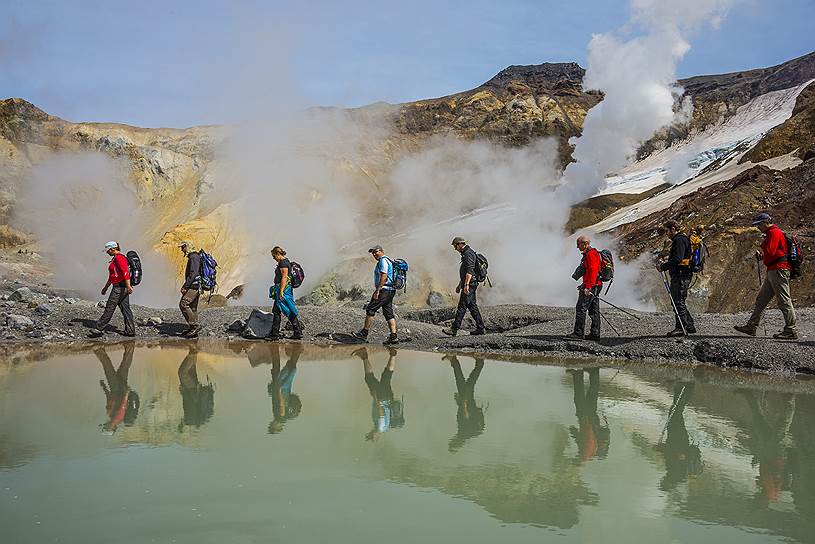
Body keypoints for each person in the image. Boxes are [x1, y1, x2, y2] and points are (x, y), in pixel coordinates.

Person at [735, 213, 798, 339]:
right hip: (774, 270)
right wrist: (763, 254)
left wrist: (763, 246)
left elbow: (771, 251)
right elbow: (773, 253)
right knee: (761, 300)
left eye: (758, 225)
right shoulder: (771, 233)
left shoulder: (774, 233)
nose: (758, 227)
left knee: (784, 300)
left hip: (779, 270)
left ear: (765, 223)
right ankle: (751, 326)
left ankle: (790, 330)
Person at [654, 382, 701, 491]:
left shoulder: (673, 474)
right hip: (679, 439)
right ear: (668, 483)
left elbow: (671, 455)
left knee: (675, 410)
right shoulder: (676, 474)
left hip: (675, 438)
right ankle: (686, 388)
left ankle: (682, 389)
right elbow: (675, 455)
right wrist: (661, 448)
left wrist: (661, 449)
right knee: (675, 411)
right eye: (663, 482)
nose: (663, 479)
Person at [353, 346, 404, 441]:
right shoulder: (380, 426)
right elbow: (380, 413)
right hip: (381, 398)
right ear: (376, 435)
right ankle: (364, 355)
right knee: (369, 378)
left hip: (389, 398)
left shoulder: (385, 428)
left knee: (386, 376)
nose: (371, 432)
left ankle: (393, 355)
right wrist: (376, 398)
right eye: (372, 435)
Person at [353, 245, 399, 345]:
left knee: (370, 309)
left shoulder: (383, 261)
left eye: (376, 252)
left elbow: (384, 276)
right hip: (391, 290)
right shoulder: (388, 261)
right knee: (388, 312)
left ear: (382, 251)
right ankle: (393, 337)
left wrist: (378, 290)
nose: (374, 254)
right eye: (372, 253)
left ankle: (363, 333)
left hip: (384, 290)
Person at [88, 241, 135, 338]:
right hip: (121, 287)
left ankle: (98, 328)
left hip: (120, 287)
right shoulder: (115, 259)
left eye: (108, 250)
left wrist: (129, 286)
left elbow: (125, 272)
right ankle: (130, 331)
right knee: (125, 309)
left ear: (113, 249)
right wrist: (106, 287)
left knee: (110, 306)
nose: (107, 252)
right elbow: (113, 276)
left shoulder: (119, 258)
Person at [657, 220, 696, 336]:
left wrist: (663, 266)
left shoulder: (679, 240)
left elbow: (678, 259)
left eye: (668, 231)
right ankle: (689, 324)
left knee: (677, 301)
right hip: (683, 274)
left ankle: (681, 327)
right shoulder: (682, 239)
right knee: (680, 300)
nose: (667, 234)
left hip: (680, 275)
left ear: (673, 229)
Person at [443, 237, 486, 336]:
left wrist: (466, 285)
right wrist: (460, 285)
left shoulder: (468, 254)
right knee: (472, 306)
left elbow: (470, 271)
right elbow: (465, 272)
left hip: (470, 284)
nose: (455, 248)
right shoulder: (466, 254)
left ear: (460, 244)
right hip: (469, 284)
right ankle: (481, 328)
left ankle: (454, 329)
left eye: (455, 246)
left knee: (462, 306)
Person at [443, 354, 486, 452]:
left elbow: (463, 415)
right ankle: (479, 362)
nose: (452, 439)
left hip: (467, 403)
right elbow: (465, 414)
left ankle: (455, 360)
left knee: (462, 381)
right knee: (469, 382)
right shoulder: (464, 433)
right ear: (457, 442)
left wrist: (460, 402)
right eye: (453, 441)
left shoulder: (465, 434)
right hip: (467, 402)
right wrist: (463, 401)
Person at [95, 342, 139, 433]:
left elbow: (109, 398)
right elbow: (122, 407)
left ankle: (130, 347)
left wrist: (104, 387)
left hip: (118, 389)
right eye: (107, 427)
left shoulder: (111, 416)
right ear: (111, 427)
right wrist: (126, 394)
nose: (105, 425)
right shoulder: (116, 418)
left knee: (125, 366)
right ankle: (98, 350)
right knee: (108, 368)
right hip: (117, 389)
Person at [568, 368, 610, 462]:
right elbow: (587, 438)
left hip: (588, 419)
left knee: (587, 395)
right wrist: (574, 431)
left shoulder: (587, 452)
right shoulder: (587, 453)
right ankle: (585, 373)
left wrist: (573, 432)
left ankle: (582, 374)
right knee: (585, 396)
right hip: (588, 420)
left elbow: (580, 439)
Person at [566, 235, 602, 340]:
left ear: (585, 243)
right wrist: (584, 285)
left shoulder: (591, 254)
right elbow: (590, 272)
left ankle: (578, 333)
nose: (577, 247)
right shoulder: (591, 253)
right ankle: (595, 334)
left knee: (581, 308)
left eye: (578, 244)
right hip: (595, 285)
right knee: (594, 310)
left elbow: (593, 271)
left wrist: (588, 287)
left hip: (592, 286)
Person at [268, 246, 303, 341]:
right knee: (279, 309)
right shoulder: (285, 261)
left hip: (283, 289)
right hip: (283, 288)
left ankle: (275, 334)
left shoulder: (283, 263)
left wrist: (281, 291)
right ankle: (296, 332)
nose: (273, 258)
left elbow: (284, 277)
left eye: (274, 256)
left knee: (282, 309)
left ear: (278, 254)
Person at [267, 343, 303, 434]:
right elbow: (281, 404)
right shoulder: (280, 416)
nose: (271, 424)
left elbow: (280, 403)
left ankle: (297, 348)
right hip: (283, 387)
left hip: (283, 387)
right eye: (273, 426)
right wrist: (278, 390)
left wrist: (275, 391)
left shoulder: (281, 417)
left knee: (291, 366)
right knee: (291, 366)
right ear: (276, 426)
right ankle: (298, 347)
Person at [178, 344, 215, 430]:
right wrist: (184, 392)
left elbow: (188, 402)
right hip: (192, 390)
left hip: (194, 390)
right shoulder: (190, 418)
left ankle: (193, 351)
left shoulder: (192, 418)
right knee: (182, 373)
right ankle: (193, 352)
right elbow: (190, 401)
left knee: (190, 370)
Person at [179, 240, 202, 338]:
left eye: (182, 247)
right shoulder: (195, 256)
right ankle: (193, 329)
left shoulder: (193, 257)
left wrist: (185, 286)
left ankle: (195, 326)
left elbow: (193, 273)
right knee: (193, 307)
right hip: (197, 285)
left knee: (183, 303)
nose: (182, 250)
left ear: (187, 246)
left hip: (194, 286)